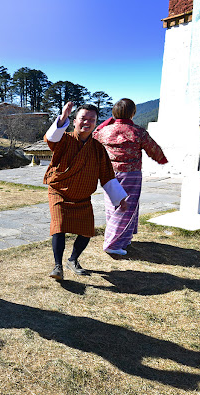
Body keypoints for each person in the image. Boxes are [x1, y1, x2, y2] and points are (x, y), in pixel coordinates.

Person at [43, 101, 128, 281]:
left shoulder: (98, 149)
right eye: (83, 118)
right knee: (59, 226)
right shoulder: (64, 139)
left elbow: (107, 174)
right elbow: (50, 138)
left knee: (87, 231)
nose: (87, 122)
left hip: (82, 197)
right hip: (59, 192)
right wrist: (62, 118)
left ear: (96, 123)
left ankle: (72, 260)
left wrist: (120, 198)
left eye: (92, 119)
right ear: (74, 121)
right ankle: (58, 266)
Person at [94, 98, 168, 256]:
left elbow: (93, 137)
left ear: (114, 113)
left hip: (108, 173)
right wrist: (162, 159)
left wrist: (107, 122)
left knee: (112, 206)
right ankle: (113, 243)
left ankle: (121, 239)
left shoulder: (104, 132)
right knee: (127, 207)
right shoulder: (138, 132)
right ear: (133, 113)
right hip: (131, 174)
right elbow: (153, 149)